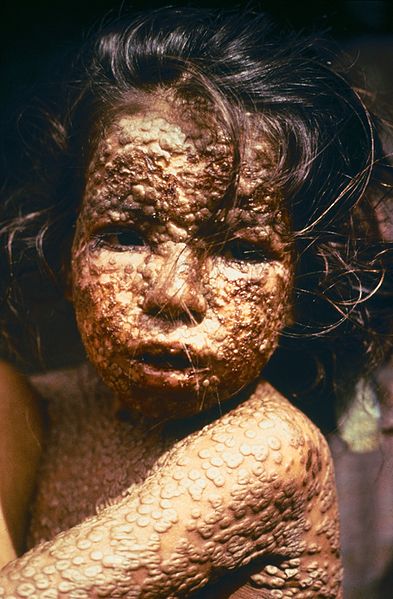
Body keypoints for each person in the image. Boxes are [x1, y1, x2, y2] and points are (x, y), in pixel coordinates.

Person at [0, 7, 392, 598]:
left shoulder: (267, 457)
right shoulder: (38, 410)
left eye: (241, 250)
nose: (174, 296)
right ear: (65, 254)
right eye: (126, 235)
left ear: (298, 286)